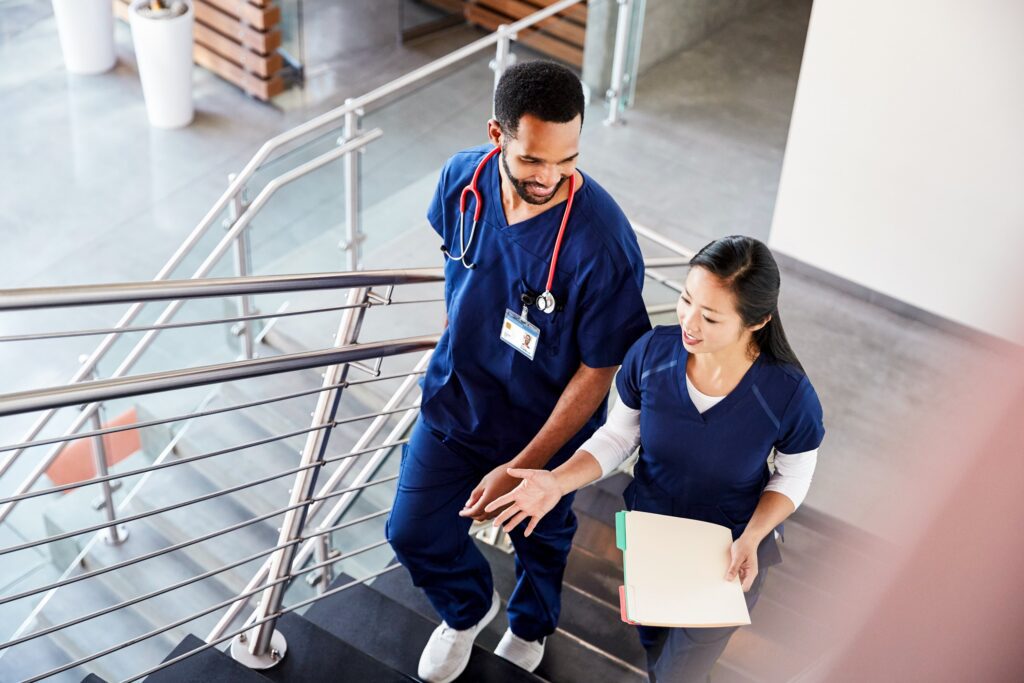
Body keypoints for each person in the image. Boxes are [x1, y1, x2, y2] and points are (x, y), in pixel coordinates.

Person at [385, 60, 652, 683]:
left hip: (546, 431)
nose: (551, 177)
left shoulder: (602, 243)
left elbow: (598, 369)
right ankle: (469, 608)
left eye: (567, 160)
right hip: (456, 402)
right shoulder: (462, 180)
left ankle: (531, 624)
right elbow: (459, 268)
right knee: (411, 530)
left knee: (543, 539)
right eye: (533, 160)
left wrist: (525, 466)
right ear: (497, 134)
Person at [486, 235, 825, 682]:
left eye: (711, 316)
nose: (690, 322)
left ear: (758, 321)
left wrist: (754, 535)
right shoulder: (651, 353)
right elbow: (618, 436)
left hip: (728, 553)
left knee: (682, 671)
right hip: (651, 535)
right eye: (686, 300)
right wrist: (557, 481)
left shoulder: (787, 395)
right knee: (653, 641)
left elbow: (793, 475)